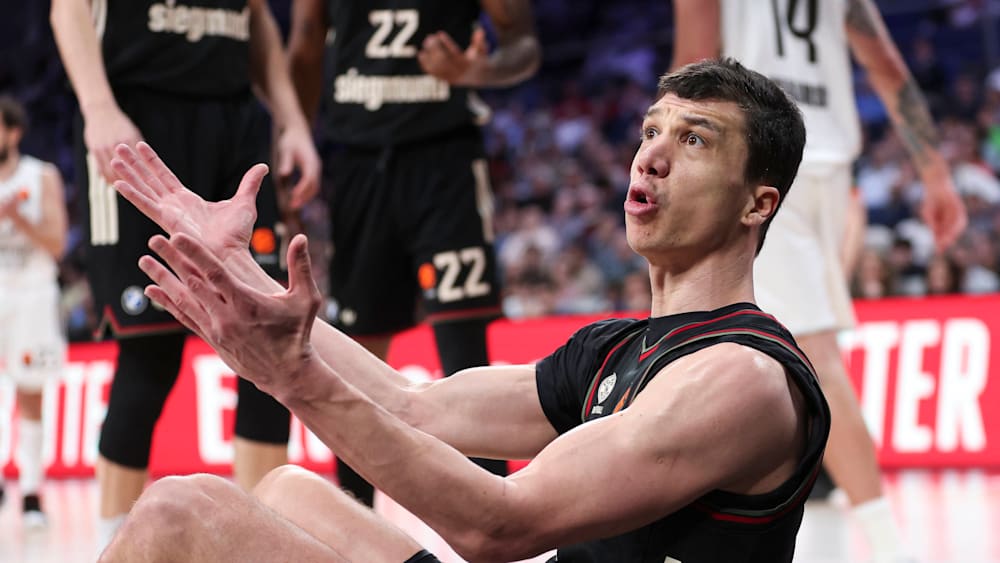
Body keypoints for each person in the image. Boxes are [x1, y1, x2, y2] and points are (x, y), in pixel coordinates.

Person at [100, 59, 830, 563]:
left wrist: (294, 379)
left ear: (757, 203)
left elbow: (501, 525)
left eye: (693, 138)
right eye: (650, 131)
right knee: (292, 490)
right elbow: (412, 408)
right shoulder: (616, 349)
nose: (651, 156)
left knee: (179, 512)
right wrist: (234, 269)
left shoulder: (742, 379)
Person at [670, 1, 967, 561]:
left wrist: (663, 165)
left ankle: (891, 549)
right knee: (751, 350)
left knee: (810, 358)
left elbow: (692, 70)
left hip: (761, 160)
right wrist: (934, 174)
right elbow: (887, 68)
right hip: (828, 168)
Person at [49, 0, 321, 549]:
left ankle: (261, 547)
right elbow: (68, 7)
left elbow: (257, 18)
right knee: (149, 355)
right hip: (138, 118)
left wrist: (292, 119)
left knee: (270, 345)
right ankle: (115, 550)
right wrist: (98, 106)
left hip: (234, 121)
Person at [285, 0, 541, 504]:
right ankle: (356, 520)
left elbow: (525, 44)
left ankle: (497, 516)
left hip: (445, 160)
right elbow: (307, 45)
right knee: (356, 358)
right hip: (357, 163)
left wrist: (477, 70)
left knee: (465, 352)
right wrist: (293, 139)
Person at [0, 96, 68, 528]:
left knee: (30, 393)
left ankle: (31, 492)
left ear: (14, 132)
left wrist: (18, 219)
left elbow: (57, 244)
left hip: (33, 295)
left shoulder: (41, 176)